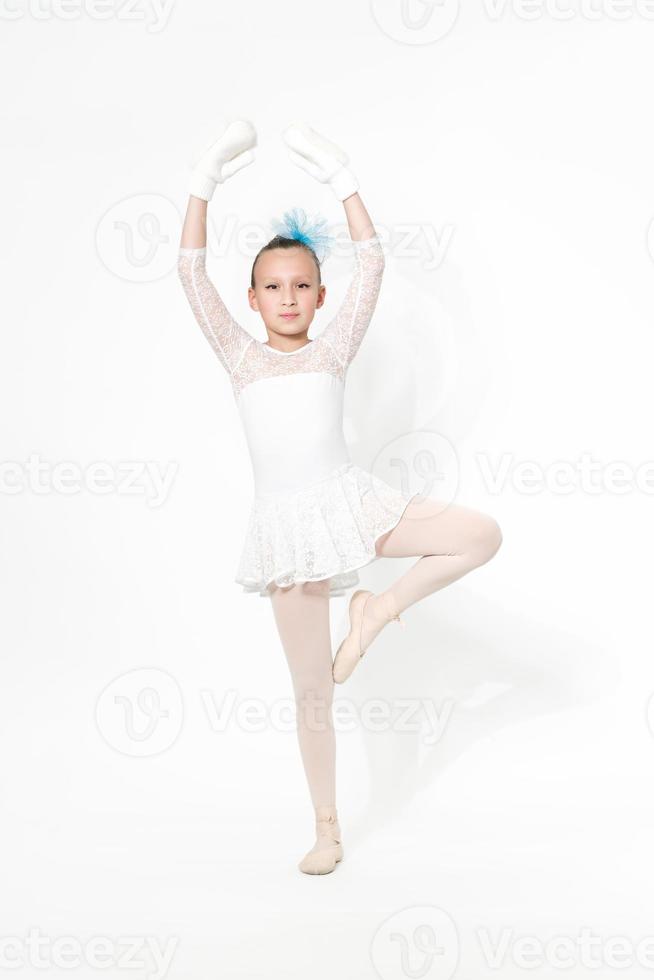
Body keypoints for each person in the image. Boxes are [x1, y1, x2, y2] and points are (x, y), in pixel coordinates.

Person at [177, 119, 503, 875]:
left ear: (321, 298)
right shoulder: (240, 356)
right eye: (272, 287)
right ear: (252, 299)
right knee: (311, 686)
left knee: (480, 534)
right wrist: (204, 177)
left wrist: (343, 176)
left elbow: (375, 261)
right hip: (288, 532)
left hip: (351, 504)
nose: (287, 297)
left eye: (301, 286)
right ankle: (327, 827)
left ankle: (377, 610)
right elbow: (190, 275)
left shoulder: (334, 347)